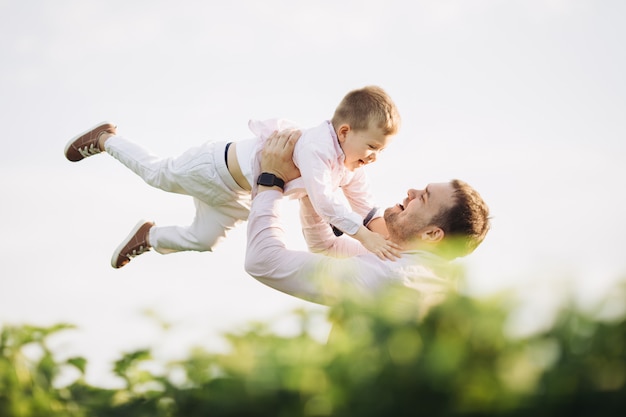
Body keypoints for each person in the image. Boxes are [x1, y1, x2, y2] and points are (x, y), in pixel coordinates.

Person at [64, 86, 402, 268]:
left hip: (235, 194)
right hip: (212, 168)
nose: (374, 156)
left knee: (203, 241)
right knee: (158, 175)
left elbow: (363, 200)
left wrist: (381, 233)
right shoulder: (318, 147)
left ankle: (149, 237)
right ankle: (105, 139)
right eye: (372, 146)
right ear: (344, 132)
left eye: (381, 151)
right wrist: (362, 237)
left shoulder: (347, 164)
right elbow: (327, 202)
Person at [245, 129, 490, 313]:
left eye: (423, 197)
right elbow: (328, 248)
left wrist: (271, 180)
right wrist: (314, 187)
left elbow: (263, 261)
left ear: (431, 235)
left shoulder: (388, 276)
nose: (411, 191)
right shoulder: (421, 272)